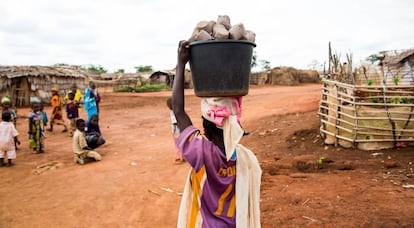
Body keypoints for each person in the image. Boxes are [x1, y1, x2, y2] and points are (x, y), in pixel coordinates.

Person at [173, 40, 262, 227]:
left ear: (205, 127)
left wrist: (181, 63)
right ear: (234, 122)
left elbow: (178, 110)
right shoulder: (245, 159)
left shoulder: (201, 152)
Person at [166, 97, 184, 164]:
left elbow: (175, 122)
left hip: (176, 130)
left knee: (178, 144)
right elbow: (176, 122)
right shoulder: (176, 112)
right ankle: (180, 157)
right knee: (180, 143)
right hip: (178, 129)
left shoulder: (173, 112)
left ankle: (180, 156)